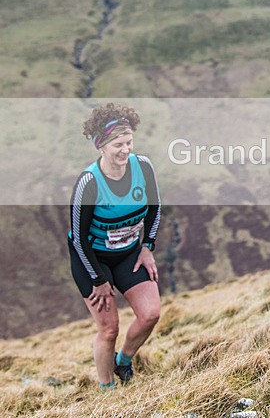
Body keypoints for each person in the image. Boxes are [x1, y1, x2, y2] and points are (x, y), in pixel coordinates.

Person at [68, 103, 162, 388]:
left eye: (129, 142)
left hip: (129, 255)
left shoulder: (143, 167)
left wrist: (147, 246)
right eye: (118, 144)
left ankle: (124, 361)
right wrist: (98, 279)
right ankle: (107, 389)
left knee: (150, 314)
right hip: (92, 260)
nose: (125, 150)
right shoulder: (89, 183)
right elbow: (78, 237)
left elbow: (154, 209)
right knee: (109, 329)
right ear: (101, 146)